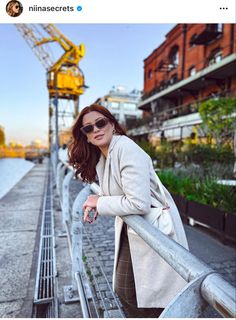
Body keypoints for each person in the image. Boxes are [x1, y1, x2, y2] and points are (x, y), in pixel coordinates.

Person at [68, 104, 189, 318]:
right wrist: (99, 200)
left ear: (112, 124)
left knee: (152, 297)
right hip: (133, 230)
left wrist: (100, 202)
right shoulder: (105, 157)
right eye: (88, 128)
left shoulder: (126, 148)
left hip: (151, 229)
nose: (95, 129)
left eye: (100, 123)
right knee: (129, 292)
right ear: (85, 136)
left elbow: (139, 203)